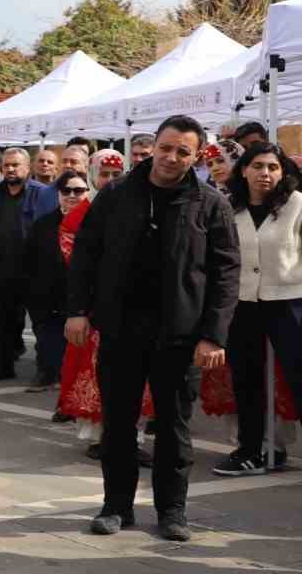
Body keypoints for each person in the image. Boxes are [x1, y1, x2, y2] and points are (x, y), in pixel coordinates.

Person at [68, 116, 240, 542]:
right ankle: (116, 506)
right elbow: (86, 255)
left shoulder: (210, 202)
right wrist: (77, 310)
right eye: (165, 147)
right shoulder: (116, 194)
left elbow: (225, 273)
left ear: (197, 155)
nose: (171, 157)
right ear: (152, 147)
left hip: (180, 336)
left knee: (174, 427)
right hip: (122, 329)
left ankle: (172, 510)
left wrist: (213, 335)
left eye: (183, 151)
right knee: (120, 422)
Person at [210, 143, 302, 477]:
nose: (266, 174)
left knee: (299, 375)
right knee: (247, 379)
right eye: (259, 166)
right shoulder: (227, 207)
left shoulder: (296, 204)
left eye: (273, 167)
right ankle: (250, 450)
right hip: (244, 303)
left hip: (290, 301)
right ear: (244, 170)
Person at [55, 150, 151, 450]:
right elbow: (76, 262)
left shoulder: (138, 205)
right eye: (104, 174)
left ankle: (132, 438)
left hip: (135, 306)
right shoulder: (78, 214)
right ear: (93, 175)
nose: (110, 180)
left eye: (115, 173)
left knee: (137, 375)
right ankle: (100, 438)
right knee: (96, 375)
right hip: (96, 308)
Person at [0, 148, 53, 381]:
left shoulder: (43, 194)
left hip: (35, 271)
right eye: (7, 165)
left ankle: (46, 370)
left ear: (27, 168)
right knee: (5, 322)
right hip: (4, 269)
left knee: (41, 324)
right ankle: (4, 365)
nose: (10, 169)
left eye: (15, 165)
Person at [29, 170, 88, 396]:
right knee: (49, 346)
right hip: (48, 298)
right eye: (66, 191)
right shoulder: (43, 225)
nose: (72, 195)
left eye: (79, 190)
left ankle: (71, 396)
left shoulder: (96, 223)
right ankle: (48, 374)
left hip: (83, 301)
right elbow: (30, 261)